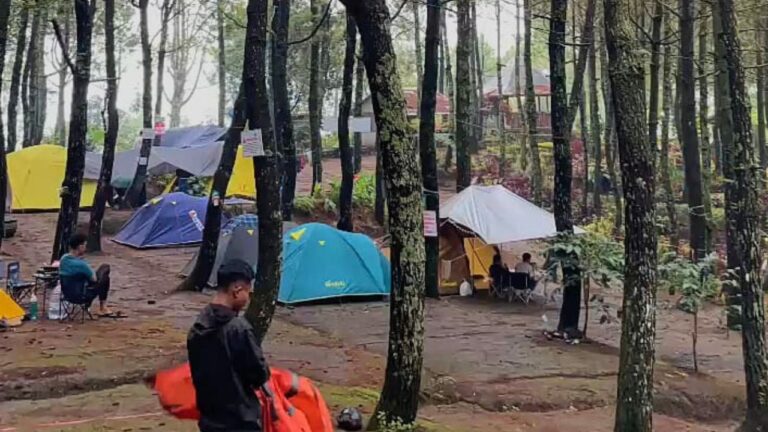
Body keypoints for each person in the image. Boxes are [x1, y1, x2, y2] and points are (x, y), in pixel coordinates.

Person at [187, 259, 269, 432]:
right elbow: (259, 374)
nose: (248, 298)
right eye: (248, 291)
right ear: (237, 290)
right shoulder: (239, 330)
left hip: (210, 419)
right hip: (241, 420)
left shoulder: (198, 326)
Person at [59, 233, 113, 316]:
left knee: (103, 269)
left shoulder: (63, 259)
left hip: (67, 294)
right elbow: (94, 279)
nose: (85, 248)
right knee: (105, 276)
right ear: (80, 246)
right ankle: (103, 307)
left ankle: (101, 307)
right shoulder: (82, 265)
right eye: (84, 245)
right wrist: (87, 265)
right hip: (81, 296)